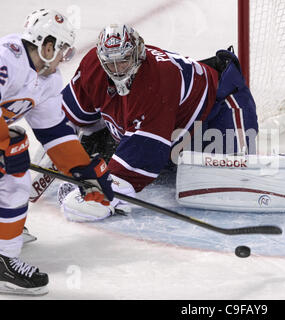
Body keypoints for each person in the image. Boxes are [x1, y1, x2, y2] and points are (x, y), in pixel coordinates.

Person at [58, 23, 259, 221]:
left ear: (138, 52)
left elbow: (137, 165)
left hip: (217, 111)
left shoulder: (157, 81)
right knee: (148, 152)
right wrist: (60, 149)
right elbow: (63, 118)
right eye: (111, 62)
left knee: (231, 180)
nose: (118, 69)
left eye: (124, 60)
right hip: (170, 125)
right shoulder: (93, 66)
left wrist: (104, 193)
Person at [0, 9, 114, 296]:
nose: (64, 56)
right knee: (14, 170)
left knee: (12, 155)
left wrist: (84, 173)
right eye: (62, 49)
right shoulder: (7, 60)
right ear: (47, 46)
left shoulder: (47, 81)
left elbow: (55, 133)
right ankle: (2, 260)